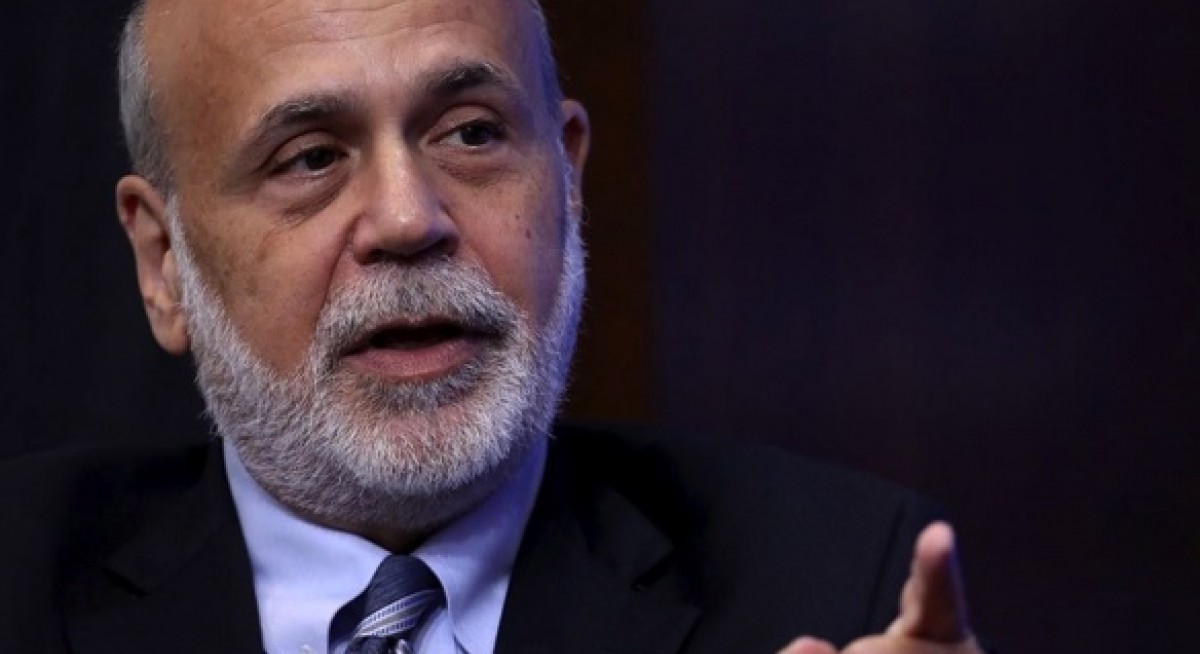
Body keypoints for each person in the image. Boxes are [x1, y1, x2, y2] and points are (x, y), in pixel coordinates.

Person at [0, 0, 986, 653]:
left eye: (471, 133)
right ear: (164, 264)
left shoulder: (835, 585)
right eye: (310, 158)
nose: (408, 220)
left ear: (569, 179)